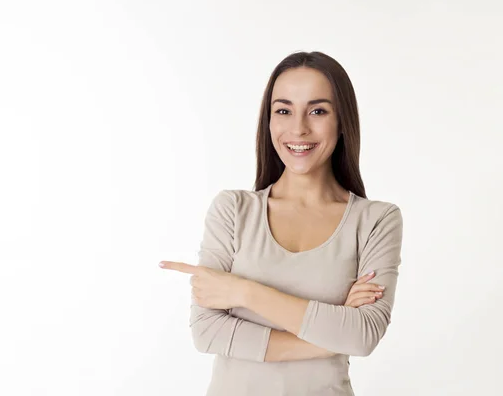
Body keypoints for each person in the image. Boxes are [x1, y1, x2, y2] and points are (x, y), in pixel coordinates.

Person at [159, 51, 404, 396]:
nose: (298, 128)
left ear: (342, 120)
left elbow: (362, 336)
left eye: (318, 111)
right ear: (269, 120)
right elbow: (207, 332)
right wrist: (330, 335)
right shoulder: (233, 209)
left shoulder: (376, 220)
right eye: (283, 110)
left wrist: (244, 291)